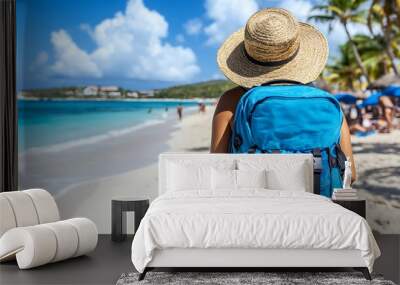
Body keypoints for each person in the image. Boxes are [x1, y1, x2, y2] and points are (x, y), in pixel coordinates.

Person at [210, 8, 356, 182]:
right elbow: (350, 175)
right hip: (319, 202)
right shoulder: (327, 102)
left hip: (255, 202)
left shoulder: (232, 100)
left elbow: (217, 169)